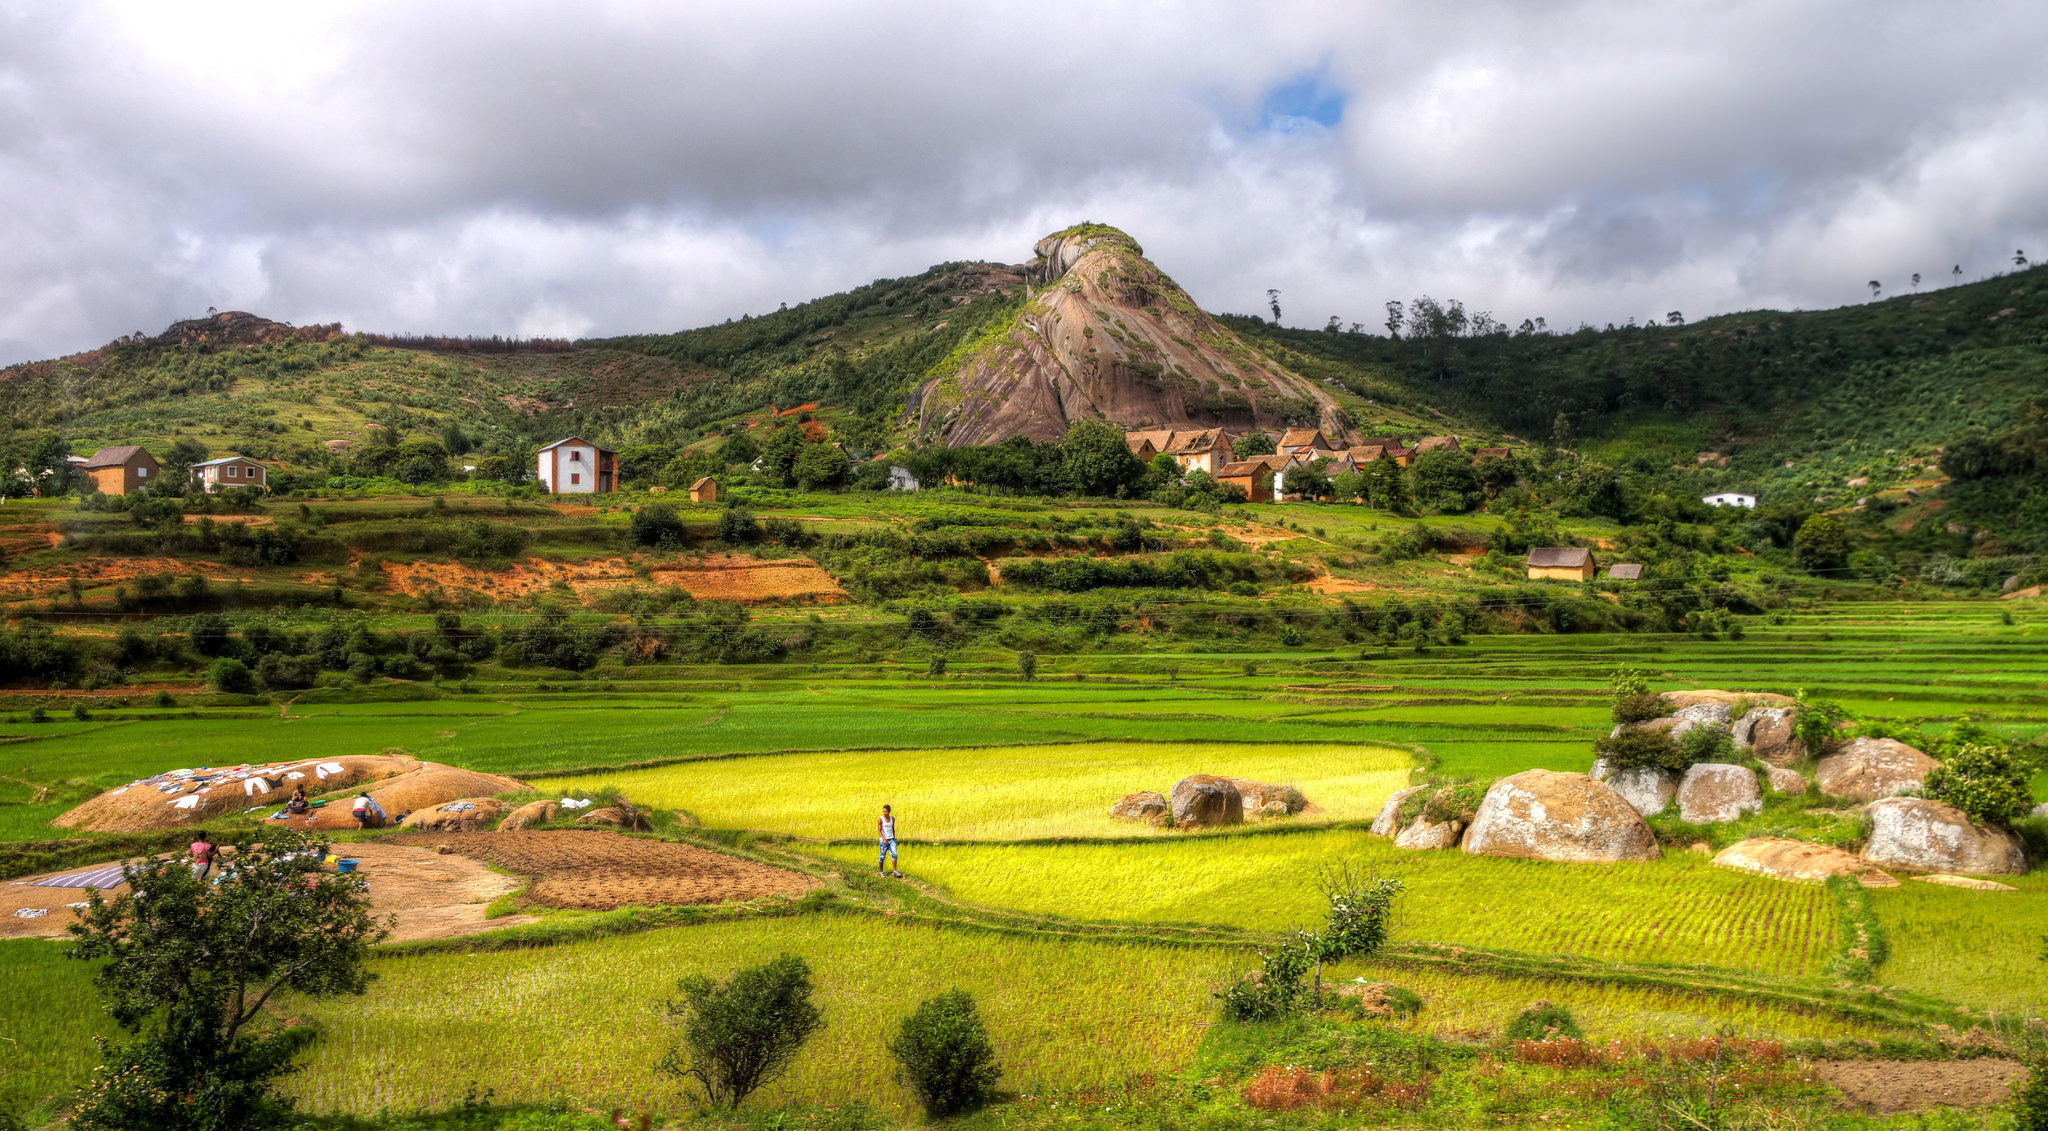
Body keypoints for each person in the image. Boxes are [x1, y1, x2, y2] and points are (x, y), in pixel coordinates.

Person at [876, 804, 900, 878]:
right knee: (882, 856)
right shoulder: (880, 819)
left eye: (886, 811)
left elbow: (893, 829)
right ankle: (881, 872)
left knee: (894, 854)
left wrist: (894, 838)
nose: (884, 813)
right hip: (884, 840)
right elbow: (879, 831)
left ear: (889, 811)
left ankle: (894, 871)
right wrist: (883, 839)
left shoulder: (892, 819)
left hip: (891, 839)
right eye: (883, 811)